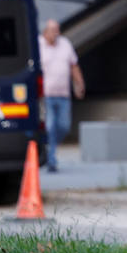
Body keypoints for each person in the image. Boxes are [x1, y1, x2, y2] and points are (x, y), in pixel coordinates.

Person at [38, 19, 85, 172]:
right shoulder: (38, 45)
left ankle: (50, 148)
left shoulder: (65, 44)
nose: (56, 33)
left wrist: (79, 84)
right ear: (45, 31)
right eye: (53, 30)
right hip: (46, 94)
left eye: (57, 30)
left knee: (64, 126)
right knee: (50, 125)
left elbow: (73, 65)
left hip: (63, 94)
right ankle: (52, 158)